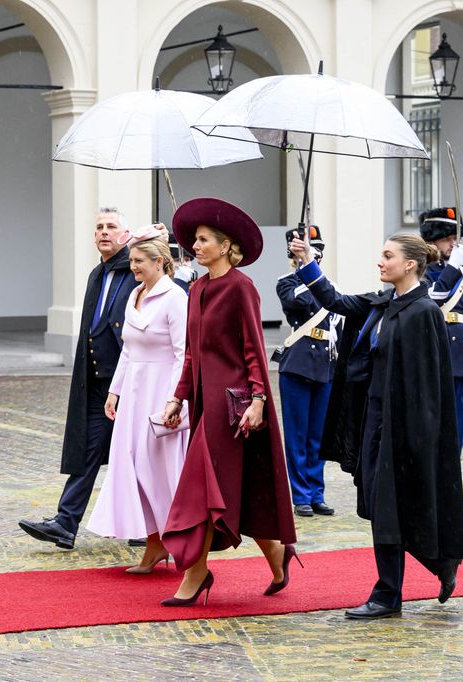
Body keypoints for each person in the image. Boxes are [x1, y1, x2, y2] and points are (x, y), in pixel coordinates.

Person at [290, 231, 463, 619]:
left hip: (404, 427)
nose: (380, 262)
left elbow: (428, 386)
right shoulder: (381, 303)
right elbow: (335, 301)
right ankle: (438, 562)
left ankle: (388, 594)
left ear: (409, 264)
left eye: (387, 256)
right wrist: (306, 262)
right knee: (376, 503)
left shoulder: (423, 312)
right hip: (373, 419)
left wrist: (418, 440)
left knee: (390, 507)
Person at [160, 198, 297, 607]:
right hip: (203, 402)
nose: (194, 246)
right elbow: (190, 353)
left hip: (232, 405)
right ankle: (277, 553)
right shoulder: (197, 288)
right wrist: (178, 398)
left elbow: (254, 348)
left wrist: (258, 399)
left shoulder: (242, 287)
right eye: (195, 241)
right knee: (234, 487)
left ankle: (196, 573)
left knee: (201, 488)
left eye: (203, 240)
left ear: (225, 245)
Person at [19, 207, 141, 550]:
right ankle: (65, 523)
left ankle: (146, 526)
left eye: (111, 226)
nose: (103, 232)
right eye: (99, 227)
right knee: (88, 451)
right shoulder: (96, 274)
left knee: (135, 454)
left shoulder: (135, 271)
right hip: (99, 384)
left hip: (130, 382)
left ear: (125, 234)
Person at [86, 225, 188, 572]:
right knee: (132, 468)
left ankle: (179, 544)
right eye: (131, 261)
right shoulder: (134, 296)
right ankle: (154, 545)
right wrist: (115, 390)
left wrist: (175, 400)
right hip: (134, 393)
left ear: (160, 261)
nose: (133, 267)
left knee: (158, 471)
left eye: (139, 261)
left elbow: (182, 354)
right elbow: (129, 350)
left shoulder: (176, 299)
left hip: (162, 395)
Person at [275, 225, 338, 518]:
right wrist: (305, 267)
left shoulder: (329, 284)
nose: (317, 253)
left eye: (318, 248)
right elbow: (297, 301)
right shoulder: (287, 282)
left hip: (325, 363)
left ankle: (317, 493)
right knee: (298, 434)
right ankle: (300, 494)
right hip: (298, 363)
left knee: (318, 435)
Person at [419, 207, 463, 448]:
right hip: (436, 355)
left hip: (462, 358)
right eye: (447, 239)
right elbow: (435, 297)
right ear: (432, 241)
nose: (453, 244)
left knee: (457, 431)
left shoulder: (462, 275)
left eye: (456, 238)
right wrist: (453, 268)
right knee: (434, 429)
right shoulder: (421, 269)